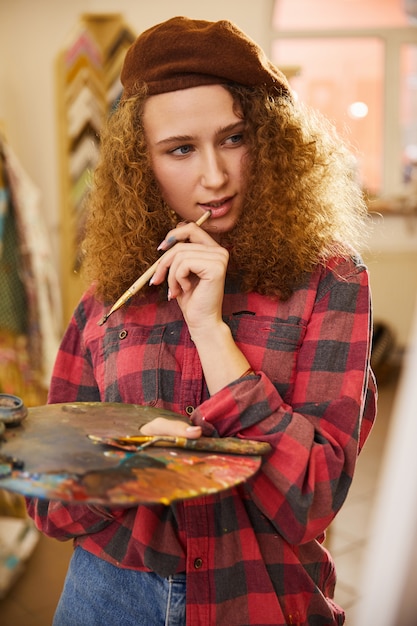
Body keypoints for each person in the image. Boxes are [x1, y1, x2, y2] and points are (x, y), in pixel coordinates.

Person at [27, 16, 377, 626]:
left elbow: (312, 499)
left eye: (234, 138)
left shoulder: (331, 281)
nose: (213, 176)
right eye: (180, 150)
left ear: (271, 141)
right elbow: (54, 511)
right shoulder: (106, 298)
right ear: (142, 166)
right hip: (105, 598)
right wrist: (130, 459)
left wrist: (212, 333)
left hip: (257, 595)